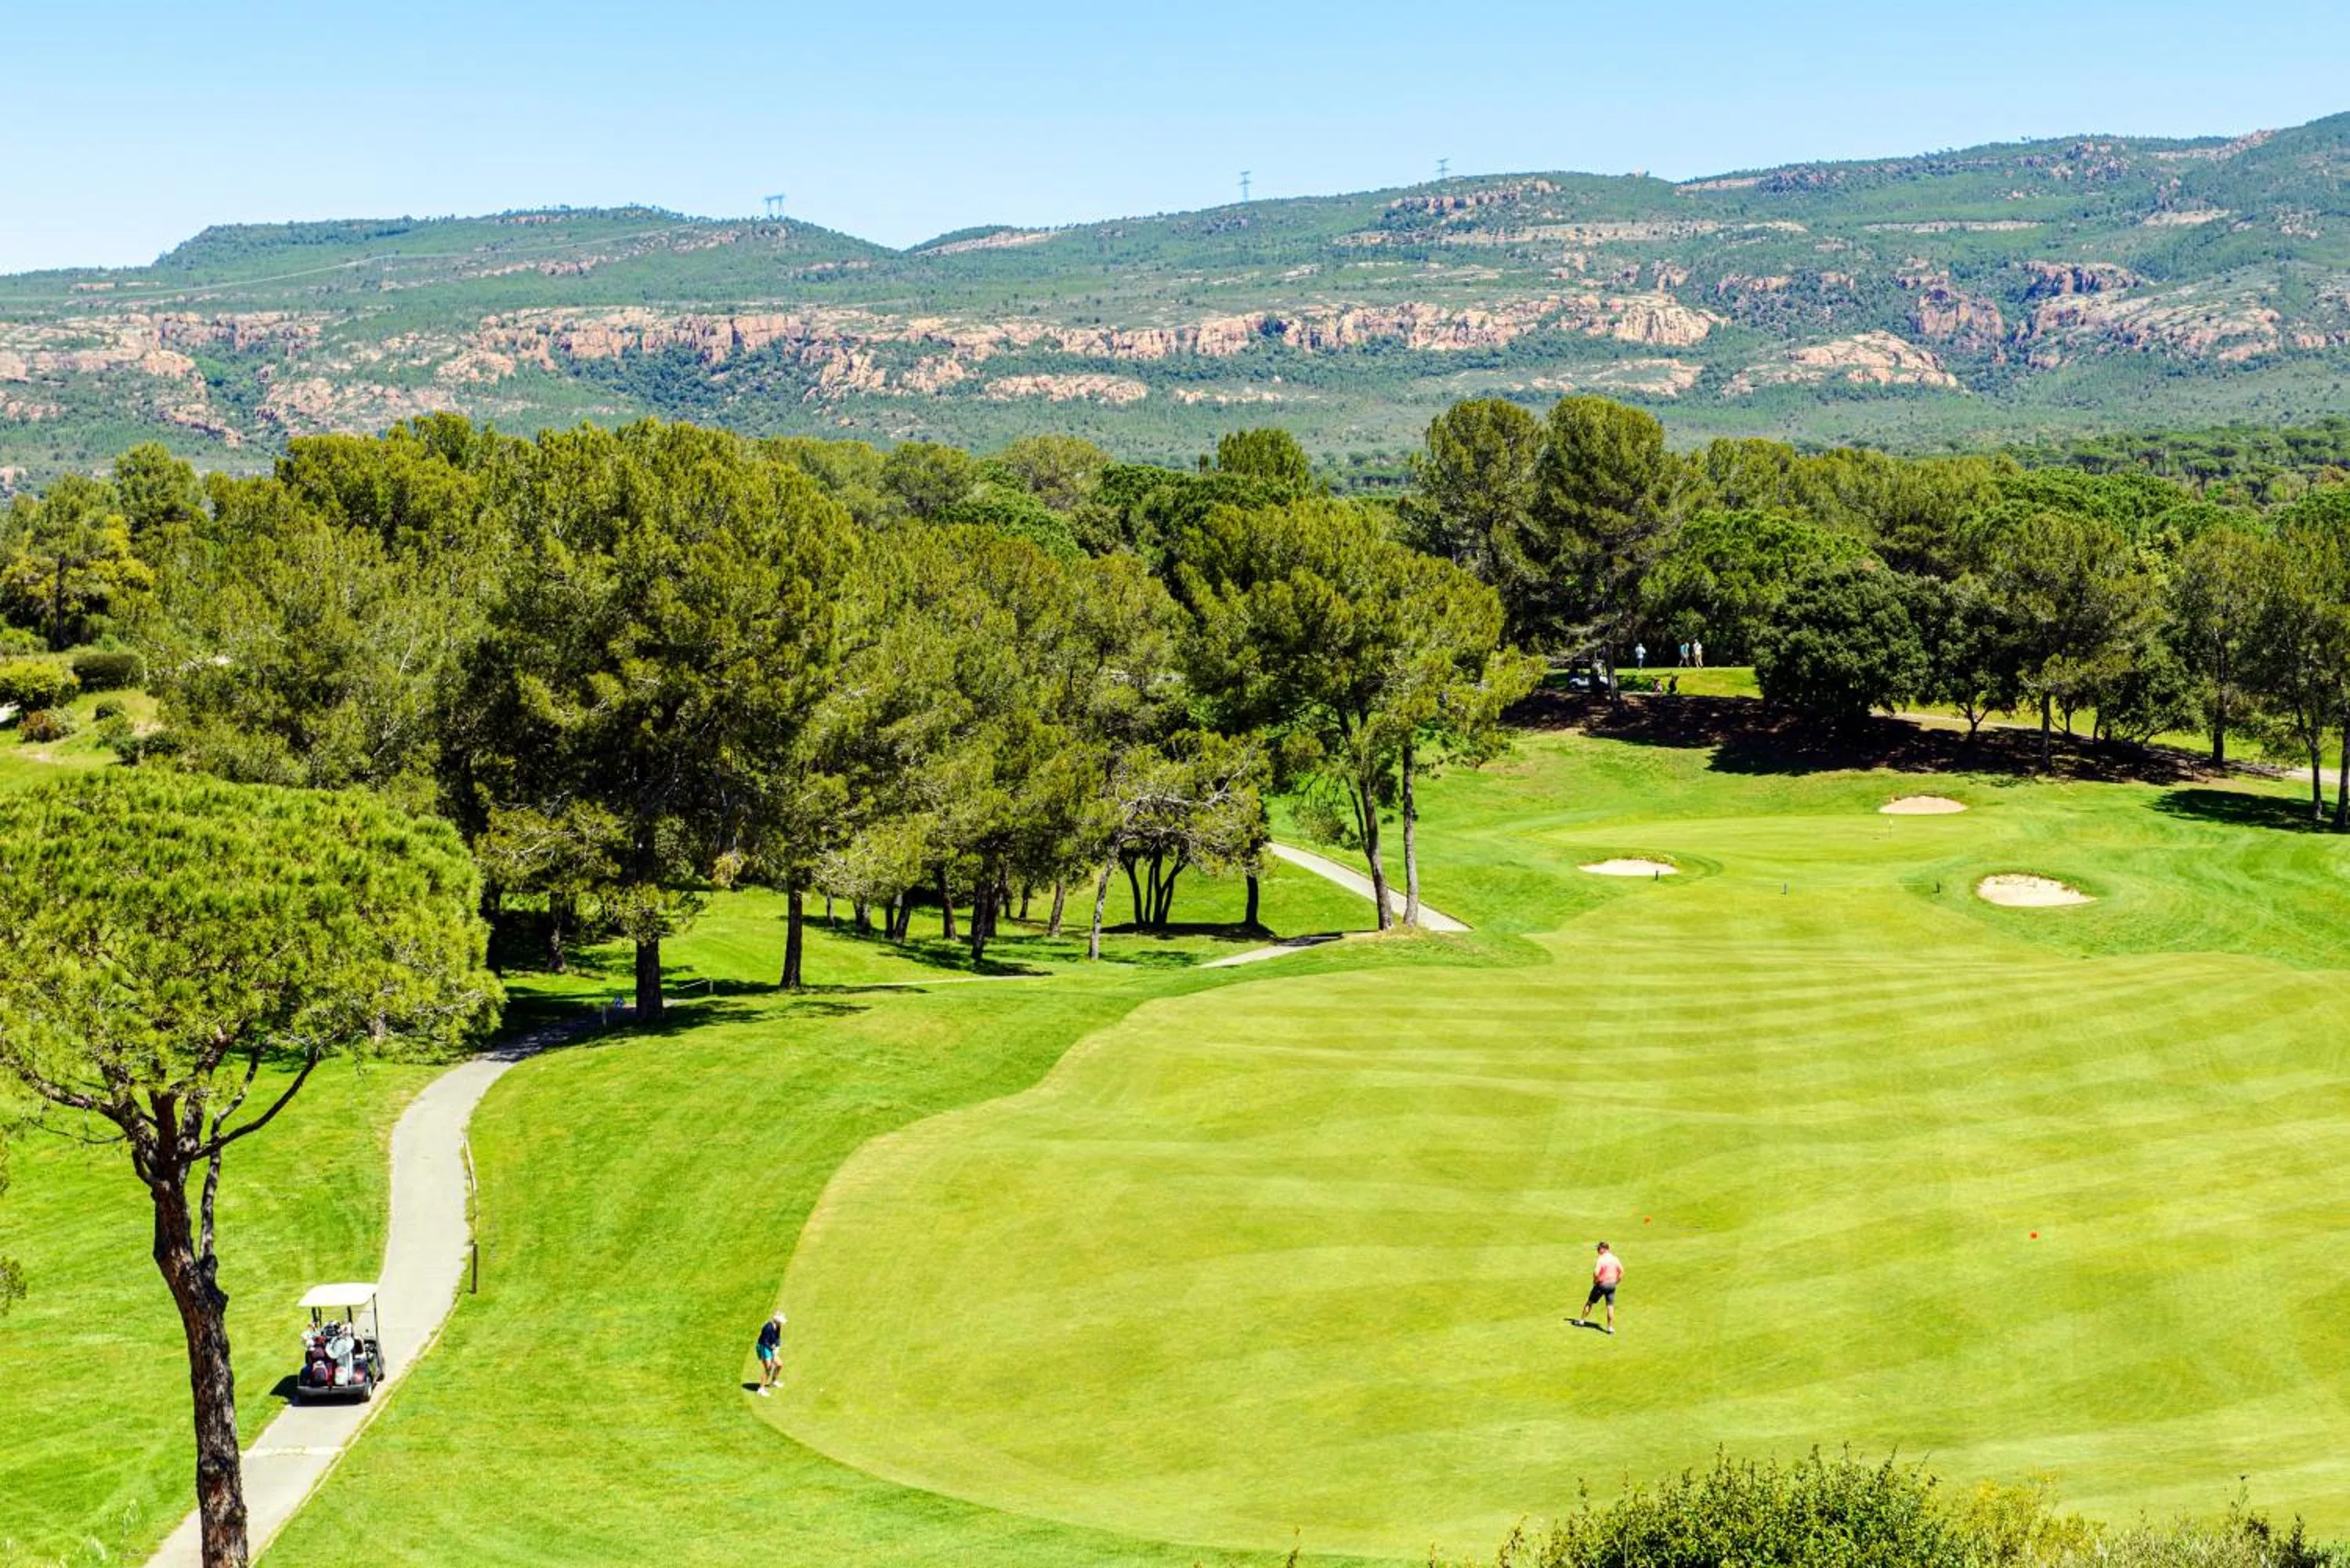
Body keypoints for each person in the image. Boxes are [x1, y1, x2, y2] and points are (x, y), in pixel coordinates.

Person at [1574, 1241, 1623, 1334]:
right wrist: (1617, 1282)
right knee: (1610, 1306)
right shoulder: (1615, 1258)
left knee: (1590, 1302)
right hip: (1612, 1285)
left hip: (1601, 1284)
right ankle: (1610, 1328)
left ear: (1604, 1249)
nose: (1597, 1250)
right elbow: (1621, 1271)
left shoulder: (1601, 1259)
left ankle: (1581, 1322)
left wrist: (1596, 1281)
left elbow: (1596, 1273)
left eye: (1599, 1248)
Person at [754, 1312, 785, 1395]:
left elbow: (777, 1337)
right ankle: (761, 1389)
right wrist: (772, 1350)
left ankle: (773, 1382)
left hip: (769, 1347)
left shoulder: (778, 1326)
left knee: (779, 1364)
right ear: (776, 1320)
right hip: (763, 1347)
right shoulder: (768, 1327)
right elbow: (765, 1341)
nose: (782, 1323)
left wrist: (777, 1346)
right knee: (769, 1368)